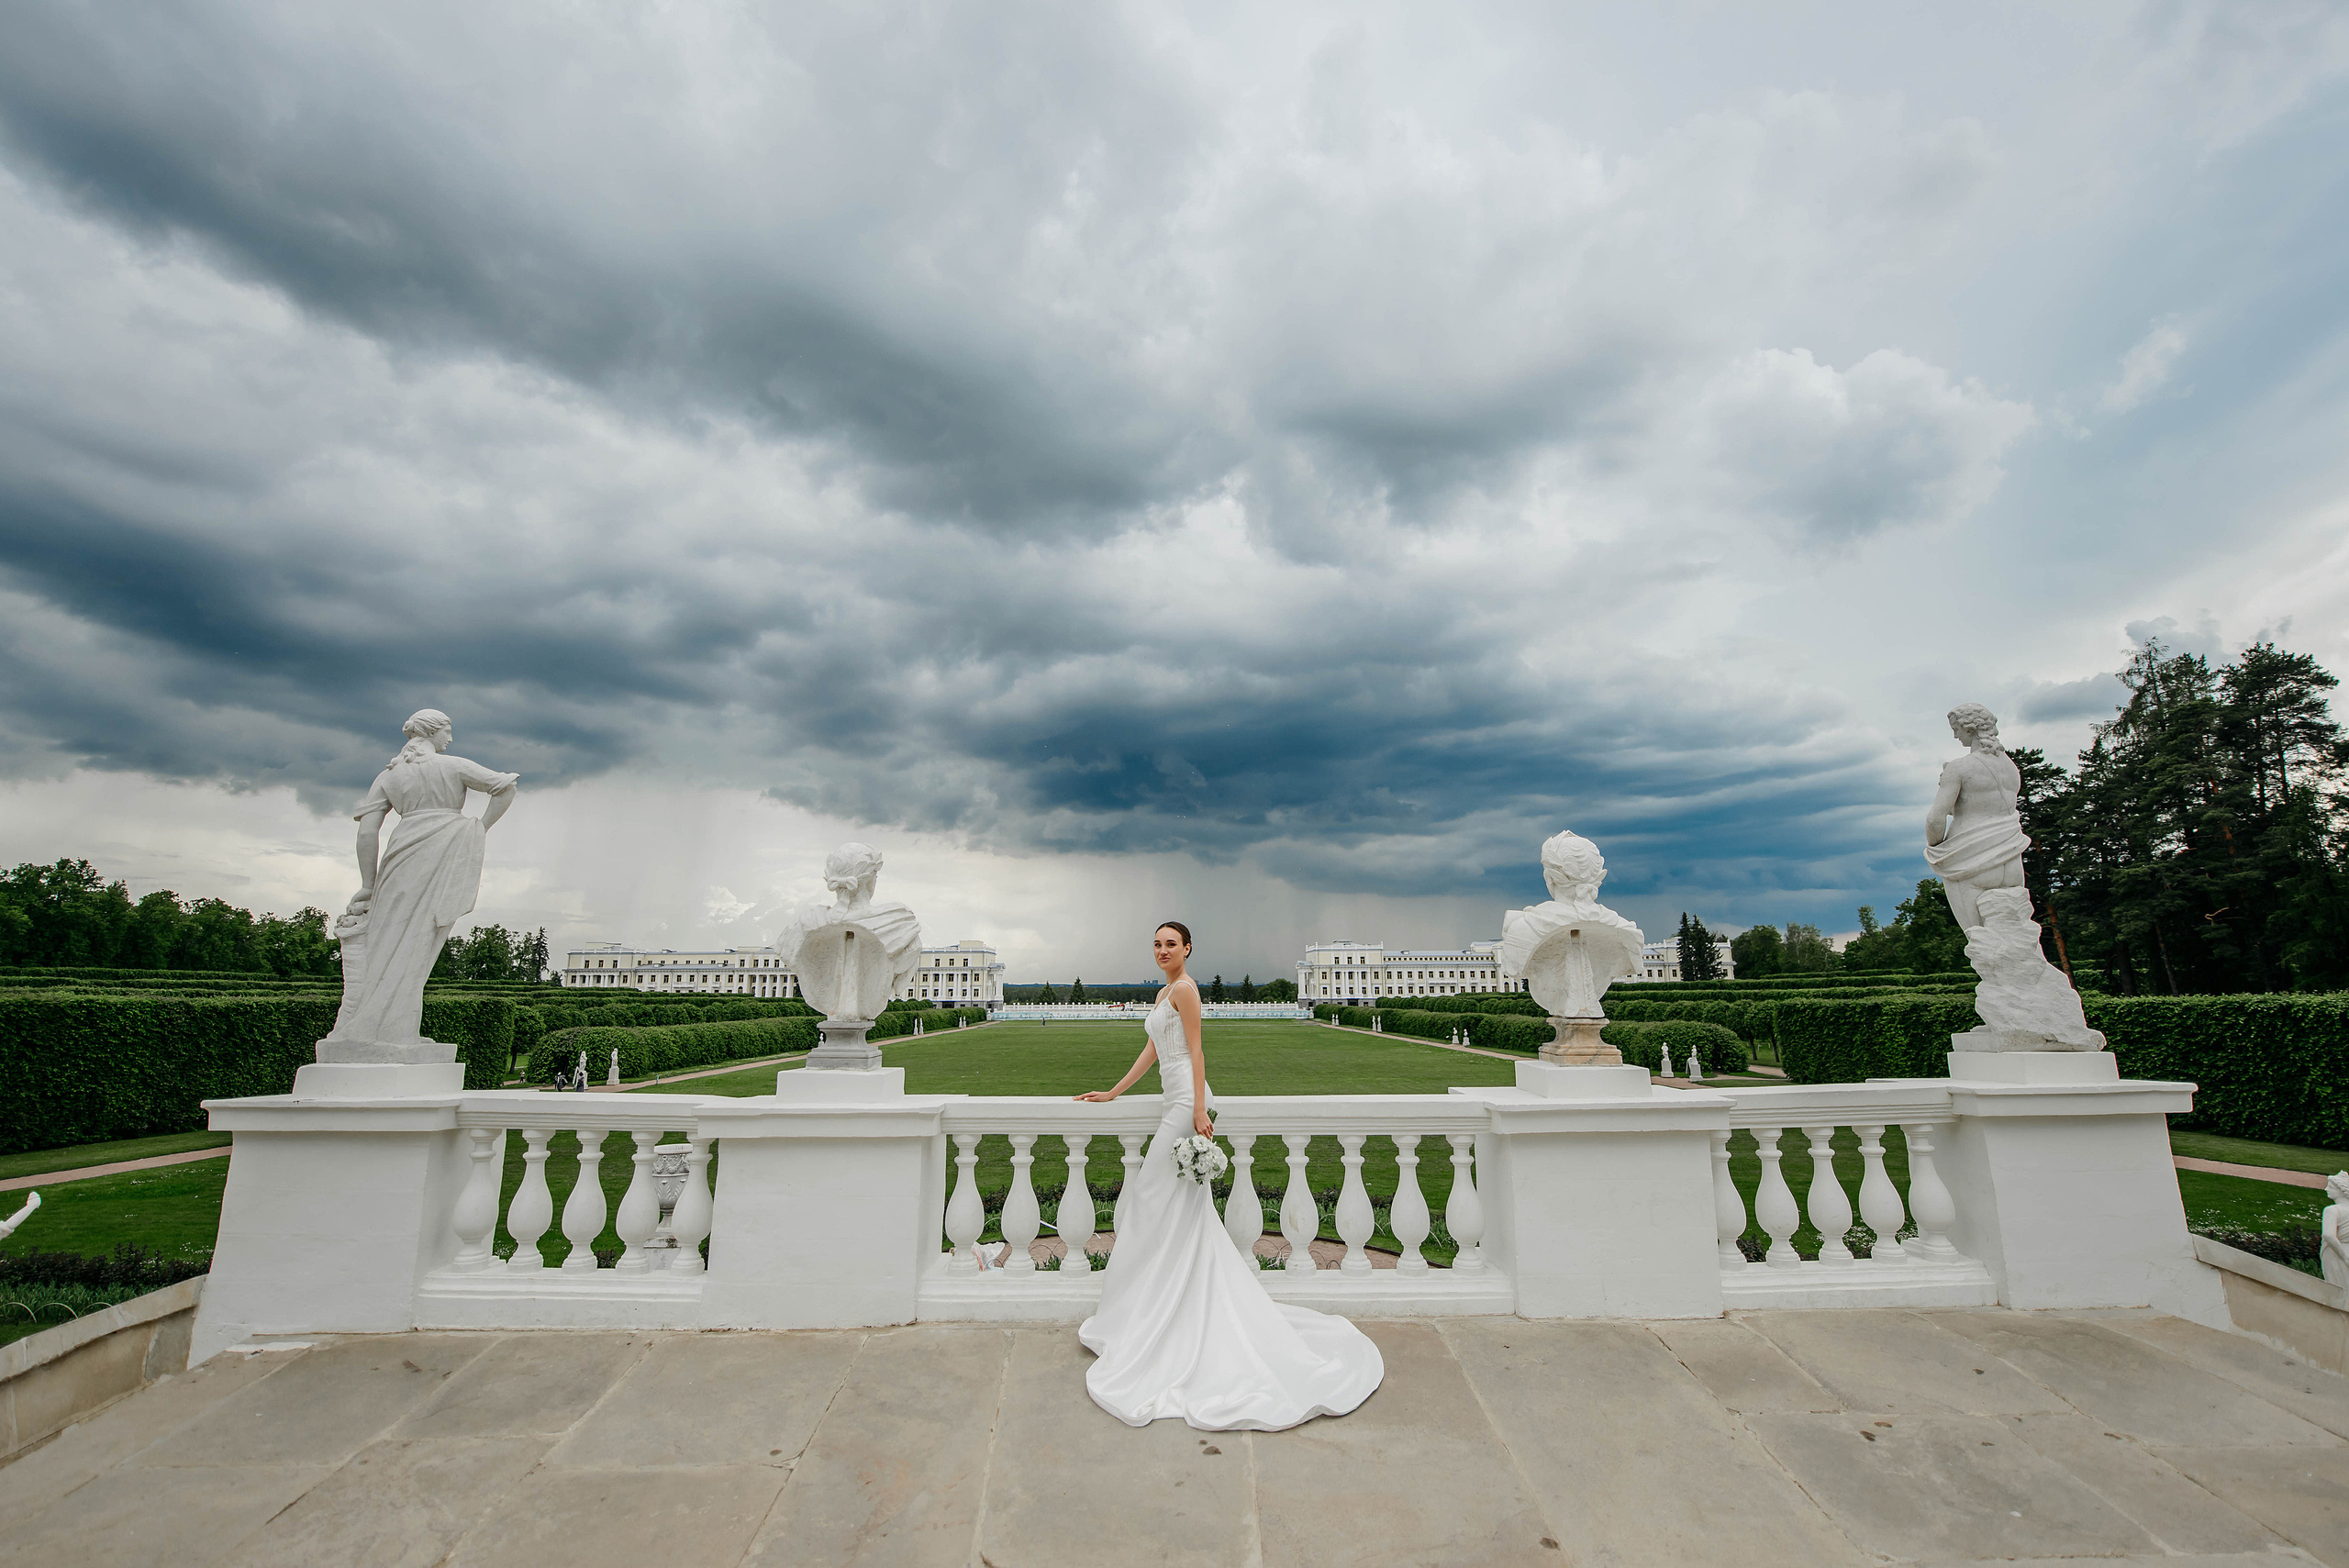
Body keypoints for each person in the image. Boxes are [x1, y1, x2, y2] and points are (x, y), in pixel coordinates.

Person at [1072, 921, 1384, 1430]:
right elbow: (1152, 1052)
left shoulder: (1188, 990)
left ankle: (1170, 1308)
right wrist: (1113, 1091)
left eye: (1170, 943)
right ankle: (1165, 1302)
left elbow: (1196, 1052)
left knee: (1152, 1198)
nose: (1162, 950)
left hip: (1184, 1106)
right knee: (1168, 1208)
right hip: (1174, 1102)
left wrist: (1197, 1110)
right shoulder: (1165, 992)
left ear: (1187, 949)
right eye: (1156, 943)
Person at [323, 709, 518, 1051]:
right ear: (433, 732)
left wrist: (368, 884)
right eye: (447, 731)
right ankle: (393, 1032)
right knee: (419, 942)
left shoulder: (388, 777)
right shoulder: (452, 766)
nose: (450, 739)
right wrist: (479, 828)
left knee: (386, 941)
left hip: (401, 853)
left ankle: (381, 1028)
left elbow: (367, 833)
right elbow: (505, 786)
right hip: (443, 849)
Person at [1925, 702, 2028, 929]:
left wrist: (1937, 849)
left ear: (1969, 729)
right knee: (2019, 938)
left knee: (1980, 939)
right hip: (2011, 859)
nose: (1955, 736)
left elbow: (1935, 818)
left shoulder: (1959, 767)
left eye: (1956, 730)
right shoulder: (2011, 768)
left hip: (1969, 858)